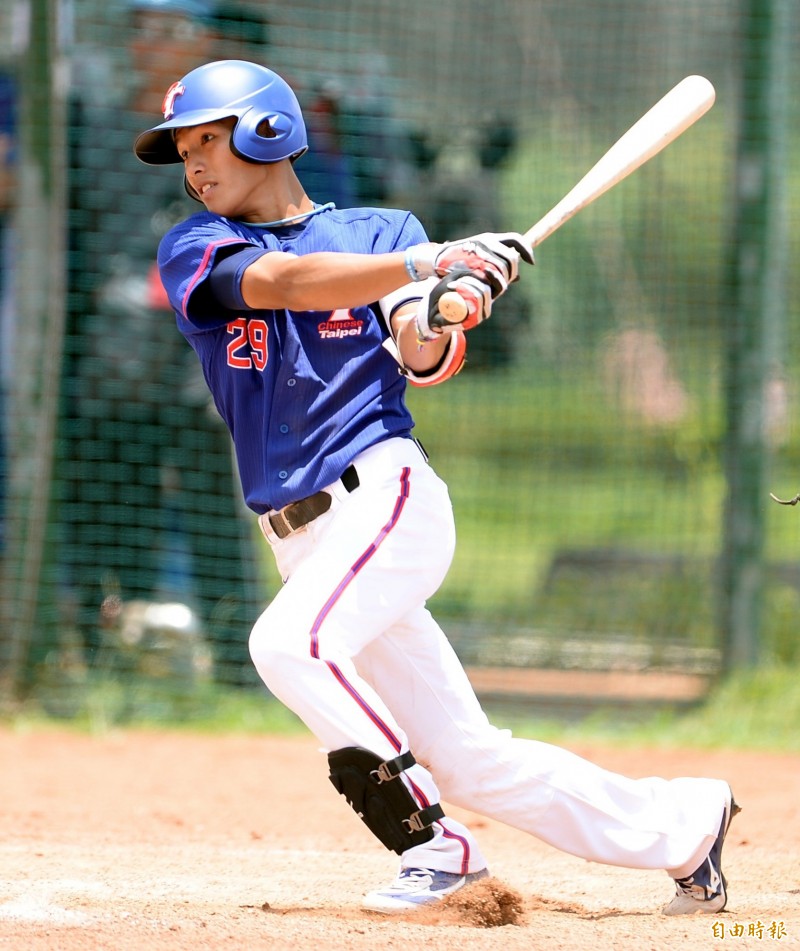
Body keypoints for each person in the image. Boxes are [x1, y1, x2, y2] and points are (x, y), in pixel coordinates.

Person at [133, 59, 740, 915]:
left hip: (384, 500)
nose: (194, 164)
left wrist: (450, 300)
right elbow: (284, 285)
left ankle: (434, 847)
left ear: (269, 131)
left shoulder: (381, 231)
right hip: (301, 538)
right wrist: (430, 259)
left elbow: (419, 349)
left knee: (289, 646)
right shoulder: (198, 246)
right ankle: (683, 825)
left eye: (208, 140)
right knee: (467, 758)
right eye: (184, 150)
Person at [59, 0, 261, 682]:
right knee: (114, 502)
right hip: (112, 356)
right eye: (140, 29)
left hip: (200, 359)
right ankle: (108, 656)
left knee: (213, 507)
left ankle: (236, 663)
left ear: (202, 42)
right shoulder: (96, 129)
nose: (148, 44)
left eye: (167, 30)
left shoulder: (237, 136)